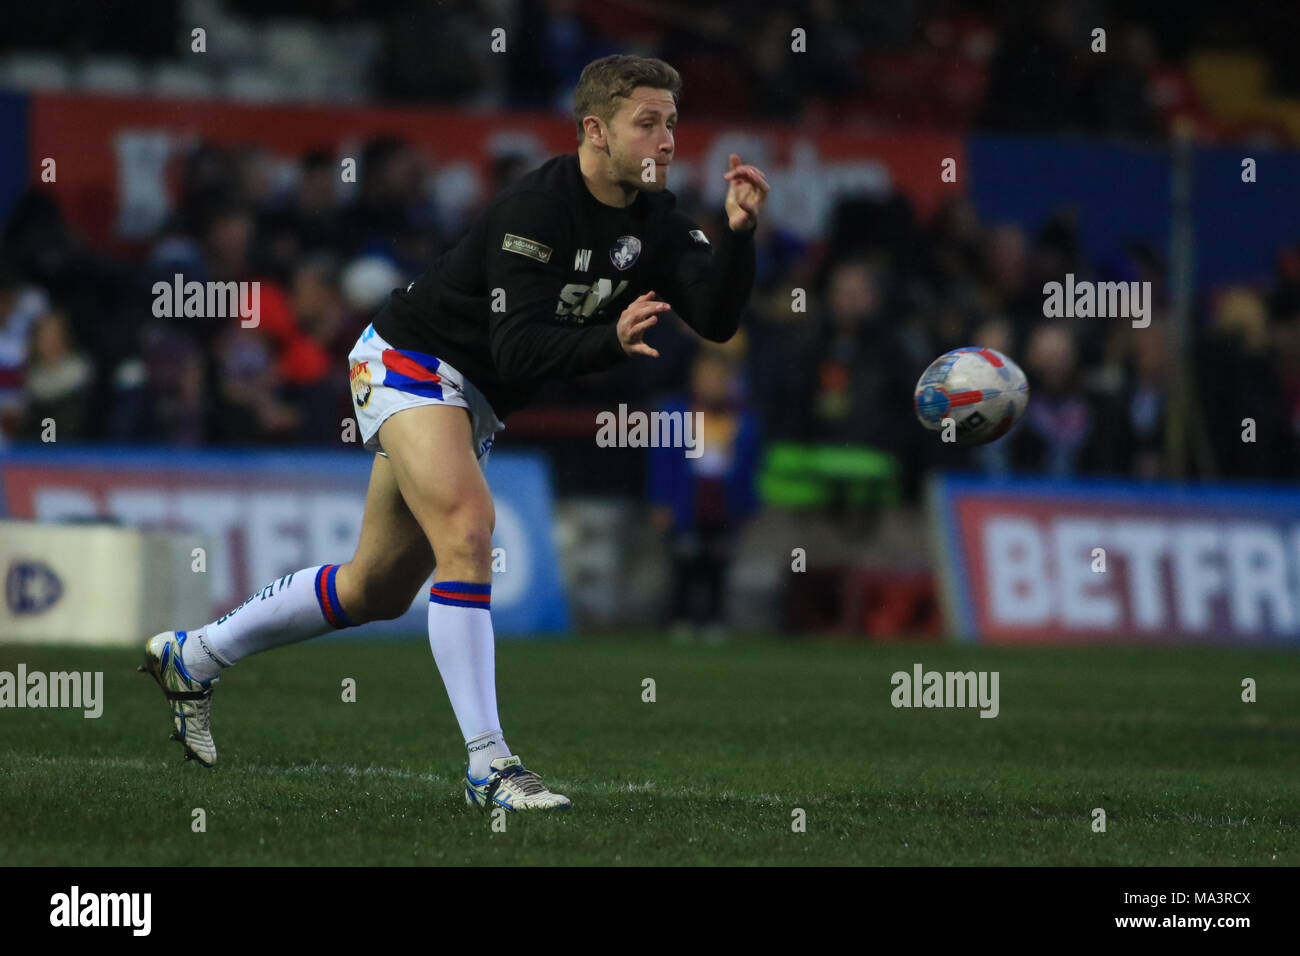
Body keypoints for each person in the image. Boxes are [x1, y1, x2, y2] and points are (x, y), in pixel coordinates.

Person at [139, 54, 769, 812]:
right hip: (409, 359)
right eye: (648, 123)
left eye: (671, 123)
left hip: (470, 398)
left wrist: (737, 235)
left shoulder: (656, 217)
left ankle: (195, 654)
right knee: (470, 528)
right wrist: (609, 340)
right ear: (595, 131)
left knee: (375, 587)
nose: (667, 140)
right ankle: (488, 765)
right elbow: (517, 350)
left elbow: (719, 316)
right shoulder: (537, 210)